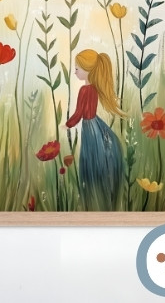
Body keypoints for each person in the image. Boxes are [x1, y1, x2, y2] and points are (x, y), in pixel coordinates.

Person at [65, 48, 124, 209]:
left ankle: (93, 192)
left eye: (77, 69)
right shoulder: (94, 89)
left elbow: (79, 113)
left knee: (91, 158)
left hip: (88, 127)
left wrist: (67, 124)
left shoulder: (85, 90)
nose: (75, 72)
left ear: (87, 70)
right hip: (96, 124)